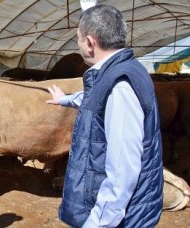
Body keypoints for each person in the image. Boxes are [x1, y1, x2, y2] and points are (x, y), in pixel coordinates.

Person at [46, 4, 163, 227]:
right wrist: (66, 99)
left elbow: (122, 171)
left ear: (90, 43)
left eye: (78, 38)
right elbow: (99, 99)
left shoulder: (120, 86)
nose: (78, 44)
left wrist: (98, 223)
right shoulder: (123, 70)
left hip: (122, 218)